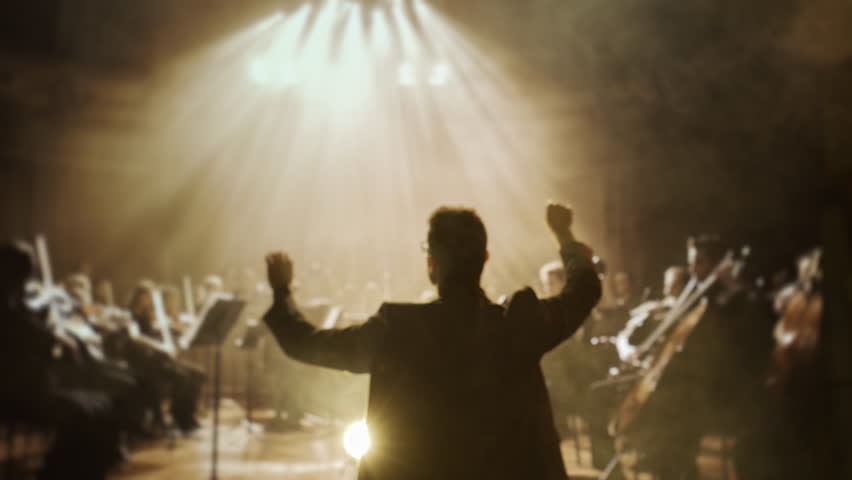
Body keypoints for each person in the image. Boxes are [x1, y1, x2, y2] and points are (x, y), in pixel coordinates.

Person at [263, 203, 601, 480]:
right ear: (485, 258)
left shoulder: (397, 329)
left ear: (432, 265)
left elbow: (304, 343)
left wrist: (282, 291)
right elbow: (584, 290)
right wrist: (564, 235)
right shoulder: (518, 324)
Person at [0, 241, 123, 480]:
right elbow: (33, 335)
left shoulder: (17, 304)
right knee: (87, 412)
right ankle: (60, 472)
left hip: (36, 388)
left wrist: (49, 317)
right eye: (29, 270)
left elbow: (36, 329)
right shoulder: (7, 309)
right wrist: (53, 332)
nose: (32, 276)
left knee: (105, 405)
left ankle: (80, 470)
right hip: (16, 394)